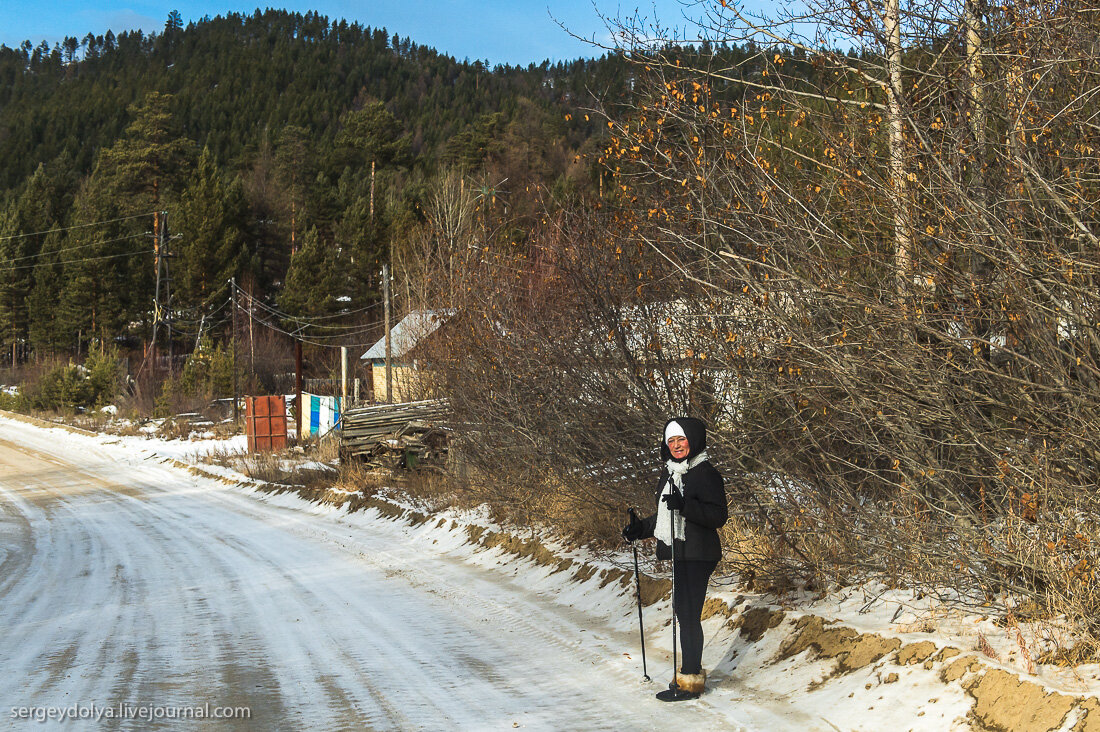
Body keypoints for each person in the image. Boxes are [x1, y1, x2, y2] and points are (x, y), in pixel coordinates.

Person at [622, 416, 728, 697]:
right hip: (681, 550)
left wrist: (686, 506)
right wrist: (639, 529)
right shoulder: (671, 472)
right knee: (685, 612)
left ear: (693, 440)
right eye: (671, 440)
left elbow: (718, 516)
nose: (677, 445)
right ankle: (689, 674)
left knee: (689, 614)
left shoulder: (706, 473)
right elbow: (664, 516)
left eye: (682, 439)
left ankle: (691, 678)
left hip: (700, 552)